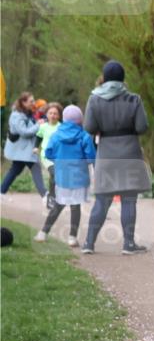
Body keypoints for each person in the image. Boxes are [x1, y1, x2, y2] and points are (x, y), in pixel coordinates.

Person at [81, 60, 152, 255]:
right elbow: (141, 127)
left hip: (106, 154)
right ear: (123, 78)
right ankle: (129, 244)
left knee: (102, 200)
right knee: (129, 199)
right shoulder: (134, 99)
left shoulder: (94, 99)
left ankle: (88, 243)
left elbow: (89, 128)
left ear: (104, 77)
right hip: (130, 152)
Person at [34, 105, 95, 246]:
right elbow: (91, 158)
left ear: (64, 118)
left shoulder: (56, 135)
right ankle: (72, 238)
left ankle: (43, 233)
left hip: (61, 176)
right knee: (75, 206)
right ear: (80, 120)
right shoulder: (84, 136)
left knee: (58, 205)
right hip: (79, 177)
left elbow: (48, 152)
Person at [2, 91, 47, 201]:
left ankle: (1, 191)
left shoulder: (27, 113)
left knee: (15, 170)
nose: (33, 103)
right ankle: (46, 197)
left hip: (23, 150)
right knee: (35, 167)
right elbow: (24, 132)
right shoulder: (17, 115)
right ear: (23, 102)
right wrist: (38, 125)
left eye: (33, 100)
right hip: (23, 150)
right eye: (31, 101)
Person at [35, 102, 62, 208]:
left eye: (55, 113)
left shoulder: (61, 127)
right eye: (50, 113)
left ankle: (53, 196)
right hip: (46, 156)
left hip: (59, 156)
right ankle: (52, 198)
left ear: (59, 116)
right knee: (54, 173)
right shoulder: (43, 126)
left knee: (55, 176)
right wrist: (36, 147)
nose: (53, 115)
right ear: (46, 114)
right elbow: (39, 137)